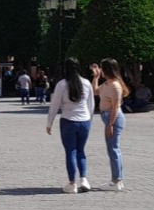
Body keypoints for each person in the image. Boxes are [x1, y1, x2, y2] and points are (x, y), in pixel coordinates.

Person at [46, 58, 95, 194]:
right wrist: (89, 120)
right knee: (81, 151)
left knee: (71, 152)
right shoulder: (86, 83)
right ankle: (84, 179)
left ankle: (72, 183)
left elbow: (54, 105)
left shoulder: (62, 84)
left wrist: (49, 123)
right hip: (84, 120)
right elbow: (91, 104)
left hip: (68, 119)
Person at [92, 58, 128, 192]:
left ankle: (116, 181)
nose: (100, 70)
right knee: (113, 149)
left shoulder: (115, 85)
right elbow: (95, 91)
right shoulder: (107, 83)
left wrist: (110, 124)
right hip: (108, 117)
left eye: (101, 68)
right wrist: (95, 77)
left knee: (113, 149)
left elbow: (115, 107)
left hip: (113, 118)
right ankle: (118, 180)